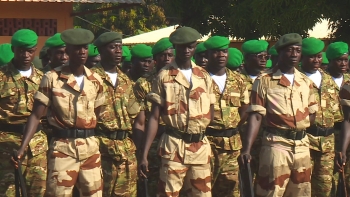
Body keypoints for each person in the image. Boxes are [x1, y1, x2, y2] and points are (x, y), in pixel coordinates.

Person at [12, 28, 105, 197]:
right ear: (68, 51)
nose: (82, 51)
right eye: (77, 48)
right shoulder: (52, 78)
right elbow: (36, 115)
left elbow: (97, 113)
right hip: (63, 147)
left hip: (90, 148)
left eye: (85, 47)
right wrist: (22, 147)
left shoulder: (96, 80)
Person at [139, 27, 215, 196]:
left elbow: (211, 110)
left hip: (200, 147)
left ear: (195, 47)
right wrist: (144, 154)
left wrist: (199, 129)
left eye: (191, 46)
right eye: (182, 47)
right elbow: (154, 117)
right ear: (175, 47)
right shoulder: (164, 76)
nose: (187, 50)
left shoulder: (203, 76)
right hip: (174, 146)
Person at [240, 33, 318, 197]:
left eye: (298, 50)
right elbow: (256, 116)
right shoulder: (264, 81)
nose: (294, 54)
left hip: (302, 146)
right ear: (280, 53)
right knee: (271, 191)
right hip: (276, 144)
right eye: (289, 50)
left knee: (301, 192)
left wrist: (298, 128)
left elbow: (312, 114)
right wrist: (246, 149)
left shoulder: (305, 82)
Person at [0, 29, 47, 197]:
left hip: (37, 147)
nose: (26, 55)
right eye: (21, 50)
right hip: (7, 146)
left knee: (38, 191)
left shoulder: (44, 78)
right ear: (13, 49)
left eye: (30, 50)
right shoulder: (1, 77)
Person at [91, 32, 137, 197]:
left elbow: (135, 116)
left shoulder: (126, 80)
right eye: (112, 47)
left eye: (120, 47)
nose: (118, 51)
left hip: (126, 147)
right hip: (102, 145)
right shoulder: (91, 78)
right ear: (102, 51)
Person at [204, 36, 249, 196]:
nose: (222, 55)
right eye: (216, 52)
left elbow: (244, 109)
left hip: (232, 145)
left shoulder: (238, 80)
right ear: (207, 55)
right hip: (207, 143)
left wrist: (232, 125)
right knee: (203, 189)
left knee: (230, 190)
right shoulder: (199, 79)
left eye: (224, 51)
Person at [131, 37, 174, 196]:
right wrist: (141, 151)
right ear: (155, 59)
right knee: (151, 184)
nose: (167, 59)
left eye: (170, 55)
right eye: (163, 55)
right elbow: (140, 122)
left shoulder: (182, 80)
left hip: (176, 139)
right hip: (153, 140)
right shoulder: (143, 84)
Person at [300, 37, 339, 197]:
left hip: (328, 143)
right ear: (302, 57)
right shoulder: (297, 79)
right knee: (302, 187)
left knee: (324, 188)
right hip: (305, 140)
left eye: (319, 56)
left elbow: (339, 118)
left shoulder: (329, 80)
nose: (316, 60)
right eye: (311, 56)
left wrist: (340, 148)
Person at [240, 39, 269, 181]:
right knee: (245, 179)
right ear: (247, 58)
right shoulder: (237, 79)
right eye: (259, 56)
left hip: (266, 137)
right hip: (242, 136)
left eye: (266, 56)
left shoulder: (270, 79)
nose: (263, 60)